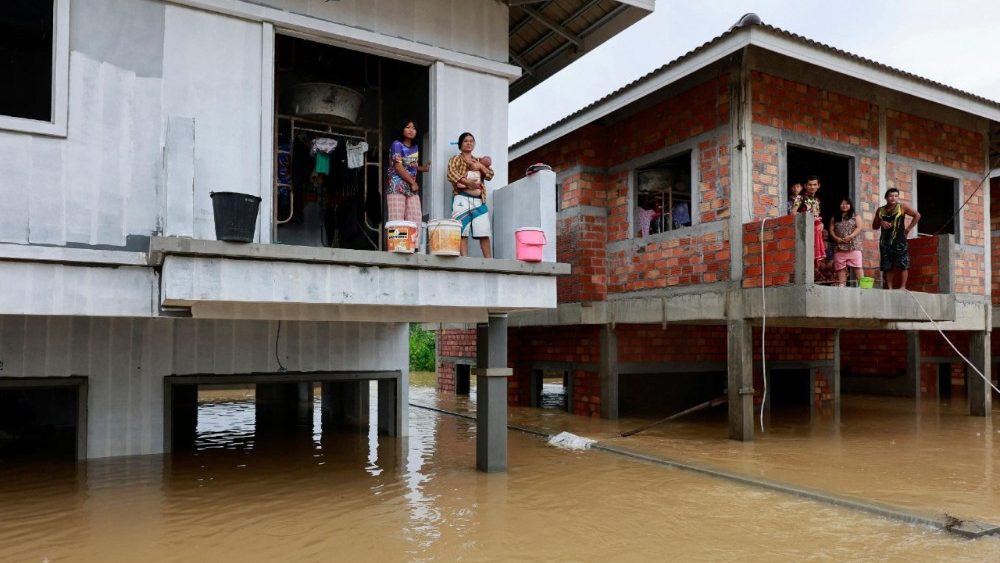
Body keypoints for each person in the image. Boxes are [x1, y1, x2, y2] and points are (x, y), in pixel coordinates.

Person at [447, 132, 494, 257]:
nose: (469, 143)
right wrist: (468, 183)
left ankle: (489, 261)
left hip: (478, 200)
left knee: (484, 231)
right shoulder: (456, 159)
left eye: (471, 141)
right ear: (460, 144)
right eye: (466, 141)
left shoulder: (479, 160)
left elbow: (490, 175)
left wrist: (481, 166)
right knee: (462, 231)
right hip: (461, 198)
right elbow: (451, 174)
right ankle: (464, 260)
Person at [385, 120, 430, 245]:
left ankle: (412, 247)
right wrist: (413, 183)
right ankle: (396, 246)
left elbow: (410, 165)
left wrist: (423, 168)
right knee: (397, 218)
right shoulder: (396, 144)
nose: (411, 130)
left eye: (414, 128)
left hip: (410, 187)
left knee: (415, 217)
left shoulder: (415, 147)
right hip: (396, 185)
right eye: (408, 127)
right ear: (402, 129)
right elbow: (398, 166)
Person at [872, 188, 920, 289]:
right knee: (888, 266)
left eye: (896, 196)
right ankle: (889, 288)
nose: (893, 198)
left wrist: (908, 229)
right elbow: (874, 226)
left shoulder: (902, 207)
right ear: (886, 197)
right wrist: (881, 222)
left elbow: (917, 215)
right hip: (885, 242)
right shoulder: (880, 210)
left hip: (899, 241)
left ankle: (903, 287)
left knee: (903, 264)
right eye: (891, 196)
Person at [828, 198, 864, 287]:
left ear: (850, 205)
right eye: (842, 204)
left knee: (858, 268)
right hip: (840, 248)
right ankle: (842, 287)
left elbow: (859, 227)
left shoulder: (855, 216)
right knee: (840, 269)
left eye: (847, 204)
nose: (844, 206)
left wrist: (850, 236)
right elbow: (831, 229)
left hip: (854, 247)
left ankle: (863, 288)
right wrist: (836, 238)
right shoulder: (835, 217)